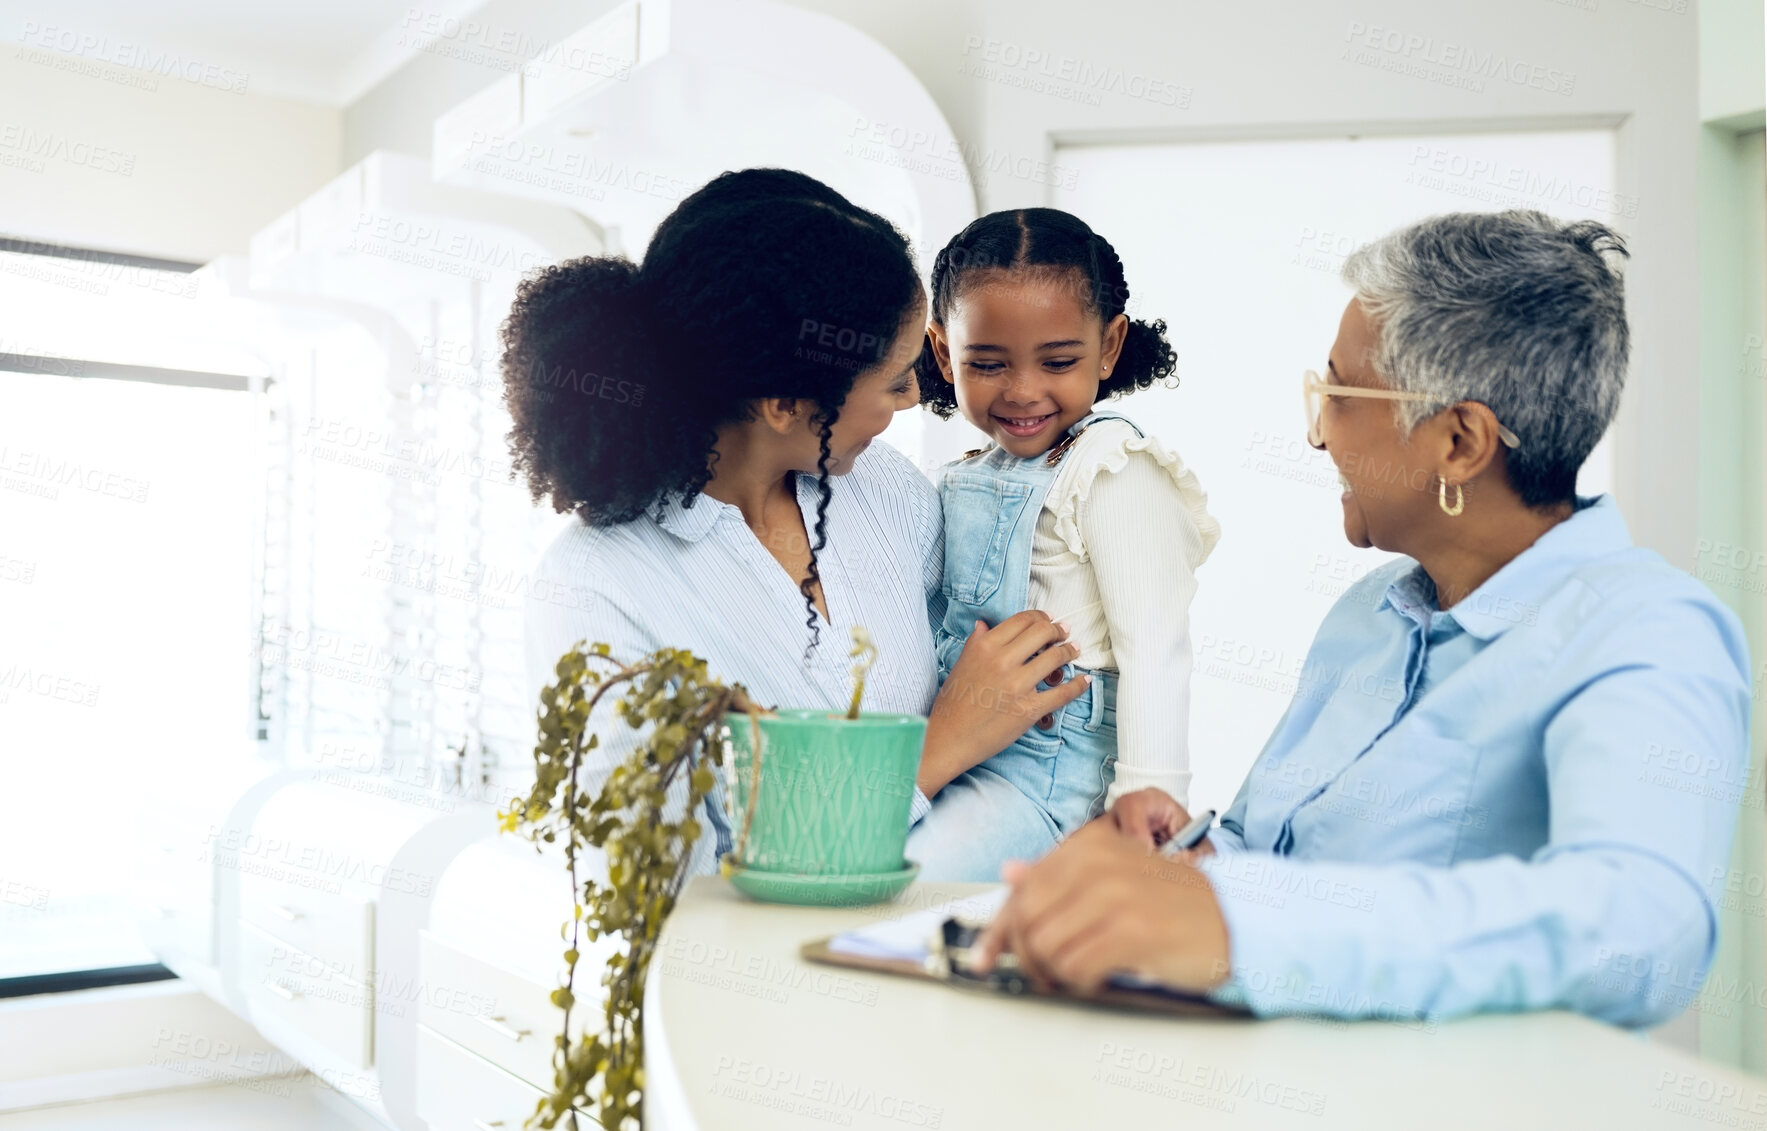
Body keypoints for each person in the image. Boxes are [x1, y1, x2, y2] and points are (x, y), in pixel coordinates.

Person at [975, 210, 1753, 1027]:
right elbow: (1266, 848)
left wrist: (1240, 925)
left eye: (1336, 395)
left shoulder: (1648, 631)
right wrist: (1176, 863)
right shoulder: (1369, 616)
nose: (1315, 437)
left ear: (1459, 442)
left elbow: (1635, 931)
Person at [507, 168, 1087, 876]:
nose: (910, 401)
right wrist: (938, 749)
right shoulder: (596, 591)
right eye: (892, 380)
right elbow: (666, 889)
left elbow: (970, 664)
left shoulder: (888, 492)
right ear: (783, 403)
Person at [905, 209, 1220, 881]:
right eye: (986, 363)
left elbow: (1155, 648)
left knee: (907, 875)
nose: (1022, 391)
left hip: (1053, 774)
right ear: (940, 352)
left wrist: (1145, 812)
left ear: (1107, 345)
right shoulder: (970, 471)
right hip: (963, 746)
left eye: (1058, 361)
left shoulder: (1114, 466)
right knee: (857, 855)